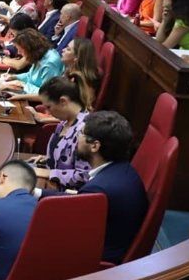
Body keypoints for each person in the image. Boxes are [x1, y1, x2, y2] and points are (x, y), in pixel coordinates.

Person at [49, 110, 148, 265]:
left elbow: (72, 233)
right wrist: (37, 193)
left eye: (81, 133)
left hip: (94, 264)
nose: (76, 137)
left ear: (95, 146)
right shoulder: (124, 169)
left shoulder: (98, 190)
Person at [33, 76, 91, 190]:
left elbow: (84, 176)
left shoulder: (85, 130)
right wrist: (49, 158)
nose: (46, 112)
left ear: (63, 101)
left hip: (65, 195)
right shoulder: (64, 122)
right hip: (50, 181)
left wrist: (49, 174)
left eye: (48, 107)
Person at [1, 29, 63, 95]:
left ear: (30, 49)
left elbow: (46, 94)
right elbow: (31, 76)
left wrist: (23, 85)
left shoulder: (50, 64)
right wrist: (15, 77)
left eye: (21, 50)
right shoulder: (39, 54)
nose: (19, 53)